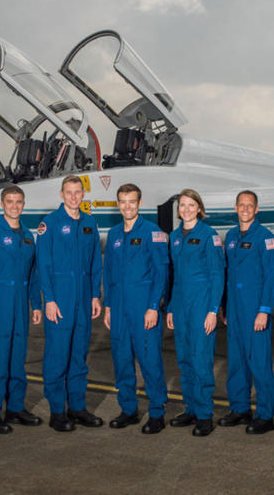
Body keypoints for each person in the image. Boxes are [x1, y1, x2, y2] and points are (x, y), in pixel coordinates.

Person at [36, 175, 104, 432]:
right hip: (60, 300)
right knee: (57, 356)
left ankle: (77, 407)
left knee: (78, 356)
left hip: (84, 299)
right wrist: (49, 300)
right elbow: (43, 265)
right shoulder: (49, 224)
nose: (74, 196)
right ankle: (56, 411)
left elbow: (95, 262)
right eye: (69, 192)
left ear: (83, 195)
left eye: (78, 192)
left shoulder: (89, 223)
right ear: (62, 194)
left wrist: (95, 295)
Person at [102, 183, 170, 434]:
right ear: (118, 204)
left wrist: (154, 307)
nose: (127, 206)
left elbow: (161, 274)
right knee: (121, 361)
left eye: (132, 201)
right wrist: (108, 306)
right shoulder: (114, 234)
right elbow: (108, 273)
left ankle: (156, 412)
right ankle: (128, 409)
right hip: (118, 309)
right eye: (122, 201)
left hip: (144, 308)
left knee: (150, 360)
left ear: (140, 204)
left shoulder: (153, 233)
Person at [0, 186, 44, 434]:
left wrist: (36, 304)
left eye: (18, 202)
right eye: (10, 201)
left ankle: (15, 407)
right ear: (2, 203)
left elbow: (32, 274)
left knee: (17, 360)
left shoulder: (28, 235)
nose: (14, 206)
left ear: (23, 204)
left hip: (20, 306)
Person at [219, 190, 274, 435]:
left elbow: (270, 277)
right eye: (241, 205)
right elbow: (227, 275)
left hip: (255, 309)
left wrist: (264, 310)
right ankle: (239, 408)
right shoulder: (232, 236)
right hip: (234, 309)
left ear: (256, 210)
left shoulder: (267, 238)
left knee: (260, 363)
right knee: (236, 362)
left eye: (250, 205)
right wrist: (224, 305)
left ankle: (265, 415)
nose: (245, 209)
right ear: (235, 208)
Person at [166, 188, 225, 437]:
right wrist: (170, 307)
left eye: (191, 205)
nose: (186, 209)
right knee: (184, 360)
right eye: (182, 205)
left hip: (202, 306)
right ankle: (190, 407)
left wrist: (213, 310)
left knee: (201, 361)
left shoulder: (209, 236)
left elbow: (218, 274)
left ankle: (204, 414)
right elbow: (175, 277)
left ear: (199, 208)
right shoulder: (174, 236)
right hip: (180, 306)